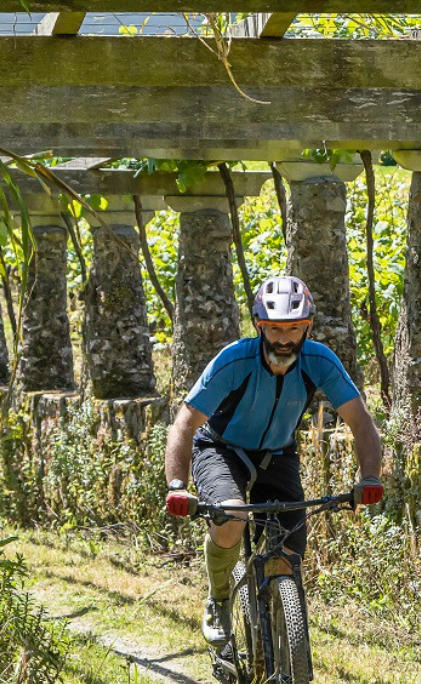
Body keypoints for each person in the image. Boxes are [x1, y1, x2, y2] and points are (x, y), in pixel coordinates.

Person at [163, 274, 385, 648]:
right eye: (275, 328)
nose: (284, 339)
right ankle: (219, 598)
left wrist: (370, 477)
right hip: (221, 450)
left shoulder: (319, 361)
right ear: (259, 326)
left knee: (289, 554)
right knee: (232, 516)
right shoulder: (234, 360)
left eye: (294, 328)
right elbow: (184, 423)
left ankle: (283, 648)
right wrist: (177, 486)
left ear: (307, 327)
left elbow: (361, 422)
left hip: (278, 455)